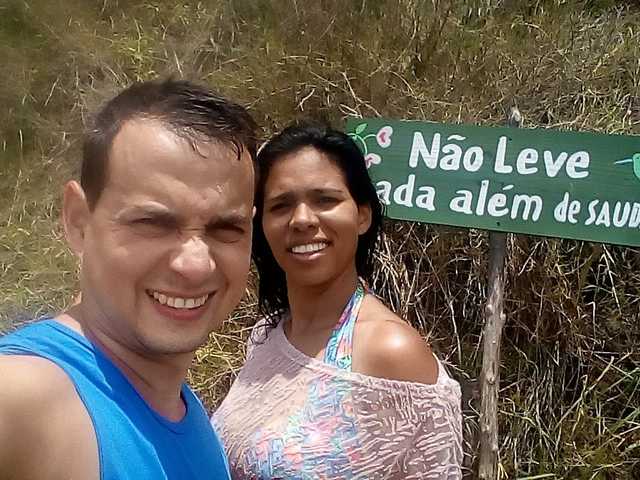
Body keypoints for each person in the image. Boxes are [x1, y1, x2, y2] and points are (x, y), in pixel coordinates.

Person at [0, 79, 257, 480]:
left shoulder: (183, 412)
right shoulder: (26, 399)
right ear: (78, 221)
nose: (196, 264)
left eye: (226, 228)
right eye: (153, 223)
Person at [213, 121, 463, 479]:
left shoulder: (390, 353)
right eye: (281, 205)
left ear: (362, 216)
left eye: (325, 200)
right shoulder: (268, 334)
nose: (302, 220)